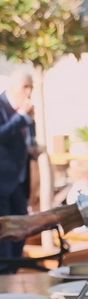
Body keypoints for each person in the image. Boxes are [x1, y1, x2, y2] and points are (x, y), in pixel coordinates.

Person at [0, 71, 34, 273]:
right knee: (4, 233)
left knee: (22, 229)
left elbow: (27, 138)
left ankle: (14, 273)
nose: (29, 92)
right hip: (2, 183)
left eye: (31, 87)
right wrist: (21, 117)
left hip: (21, 182)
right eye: (25, 87)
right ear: (13, 86)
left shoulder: (27, 110)